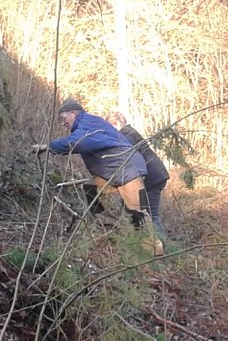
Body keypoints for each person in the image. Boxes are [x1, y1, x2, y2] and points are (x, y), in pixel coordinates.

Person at [32, 99, 155, 238]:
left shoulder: (88, 122)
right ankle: (110, 223)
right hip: (113, 173)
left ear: (73, 113)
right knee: (90, 187)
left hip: (128, 171)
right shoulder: (84, 125)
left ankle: (153, 251)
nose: (63, 123)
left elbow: (77, 142)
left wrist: (48, 146)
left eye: (63, 118)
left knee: (138, 213)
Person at [105, 111, 170, 236]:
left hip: (152, 178)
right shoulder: (129, 133)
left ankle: (160, 248)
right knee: (140, 212)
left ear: (116, 124)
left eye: (110, 127)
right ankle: (145, 243)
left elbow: (129, 159)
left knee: (152, 215)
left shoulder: (126, 135)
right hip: (155, 175)